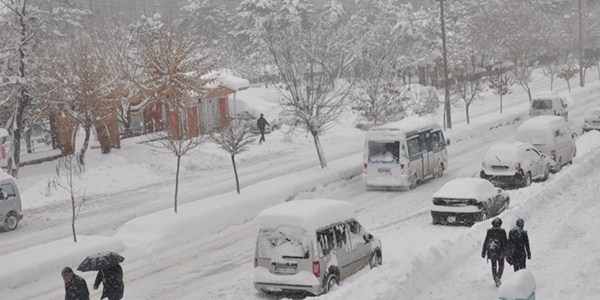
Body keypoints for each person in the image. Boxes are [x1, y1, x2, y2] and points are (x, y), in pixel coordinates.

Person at [481, 217, 508, 287]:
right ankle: (498, 277)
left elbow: (486, 241)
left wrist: (483, 252)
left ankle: (495, 277)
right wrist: (506, 251)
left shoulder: (489, 231)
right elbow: (505, 242)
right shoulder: (502, 231)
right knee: (501, 265)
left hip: (492, 251)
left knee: (494, 266)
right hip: (500, 252)